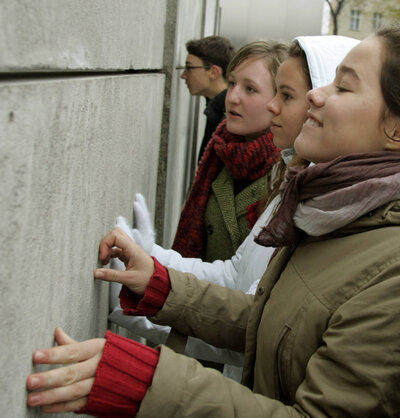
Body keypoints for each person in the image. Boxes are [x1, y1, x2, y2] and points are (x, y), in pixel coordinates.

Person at [26, 27, 400, 416]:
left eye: (343, 88)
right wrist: (165, 287)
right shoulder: (339, 209)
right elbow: (276, 322)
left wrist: (151, 383)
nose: (314, 98)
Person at [109, 35, 360, 382]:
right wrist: (153, 259)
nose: (234, 97)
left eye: (282, 95)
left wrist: (144, 300)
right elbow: (235, 275)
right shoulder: (292, 179)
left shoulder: (318, 199)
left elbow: (250, 326)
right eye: (232, 84)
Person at [170, 41, 286, 263]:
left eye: (250, 89)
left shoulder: (288, 172)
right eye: (232, 83)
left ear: (280, 99)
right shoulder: (221, 150)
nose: (232, 97)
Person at [178, 36, 236, 161]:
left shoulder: (231, 117)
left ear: (214, 72)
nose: (183, 76)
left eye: (189, 68)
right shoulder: (217, 109)